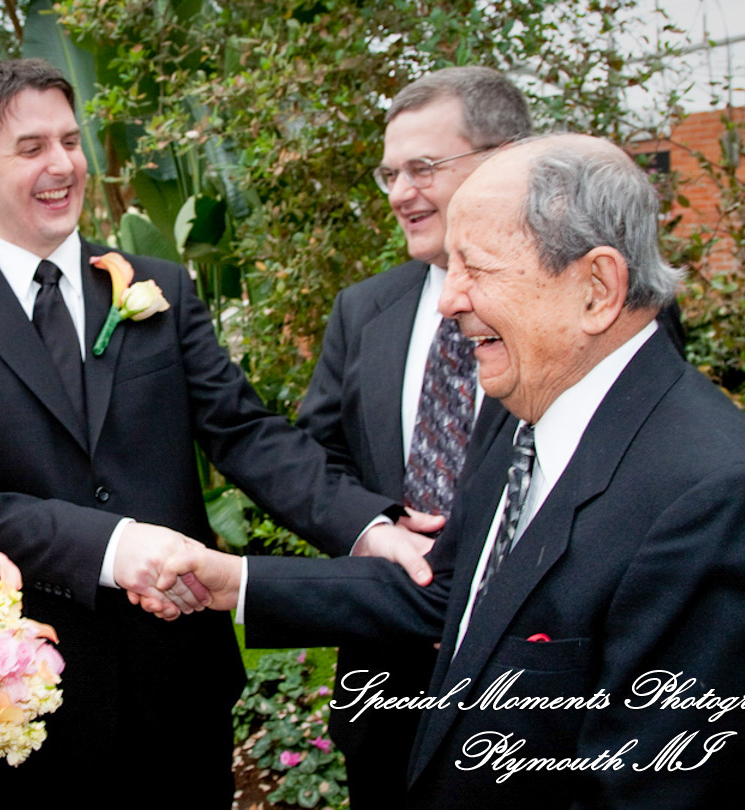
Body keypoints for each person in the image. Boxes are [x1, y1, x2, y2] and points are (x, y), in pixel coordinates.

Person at [153, 134, 745, 807]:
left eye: (477, 269)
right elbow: (454, 599)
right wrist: (236, 582)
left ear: (596, 288)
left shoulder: (721, 504)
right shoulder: (523, 413)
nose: (449, 301)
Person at [0, 58, 420, 808]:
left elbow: (243, 432)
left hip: (181, 678)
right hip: (27, 696)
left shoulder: (157, 288)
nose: (62, 165)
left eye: (71, 141)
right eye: (31, 147)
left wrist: (367, 528)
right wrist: (116, 548)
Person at [298, 66, 533, 802]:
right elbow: (318, 456)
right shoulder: (364, 309)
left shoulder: (578, 310)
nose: (400, 193)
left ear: (505, 159)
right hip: (386, 686)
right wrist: (373, 530)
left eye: (423, 168)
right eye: (390, 172)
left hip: (533, 689)